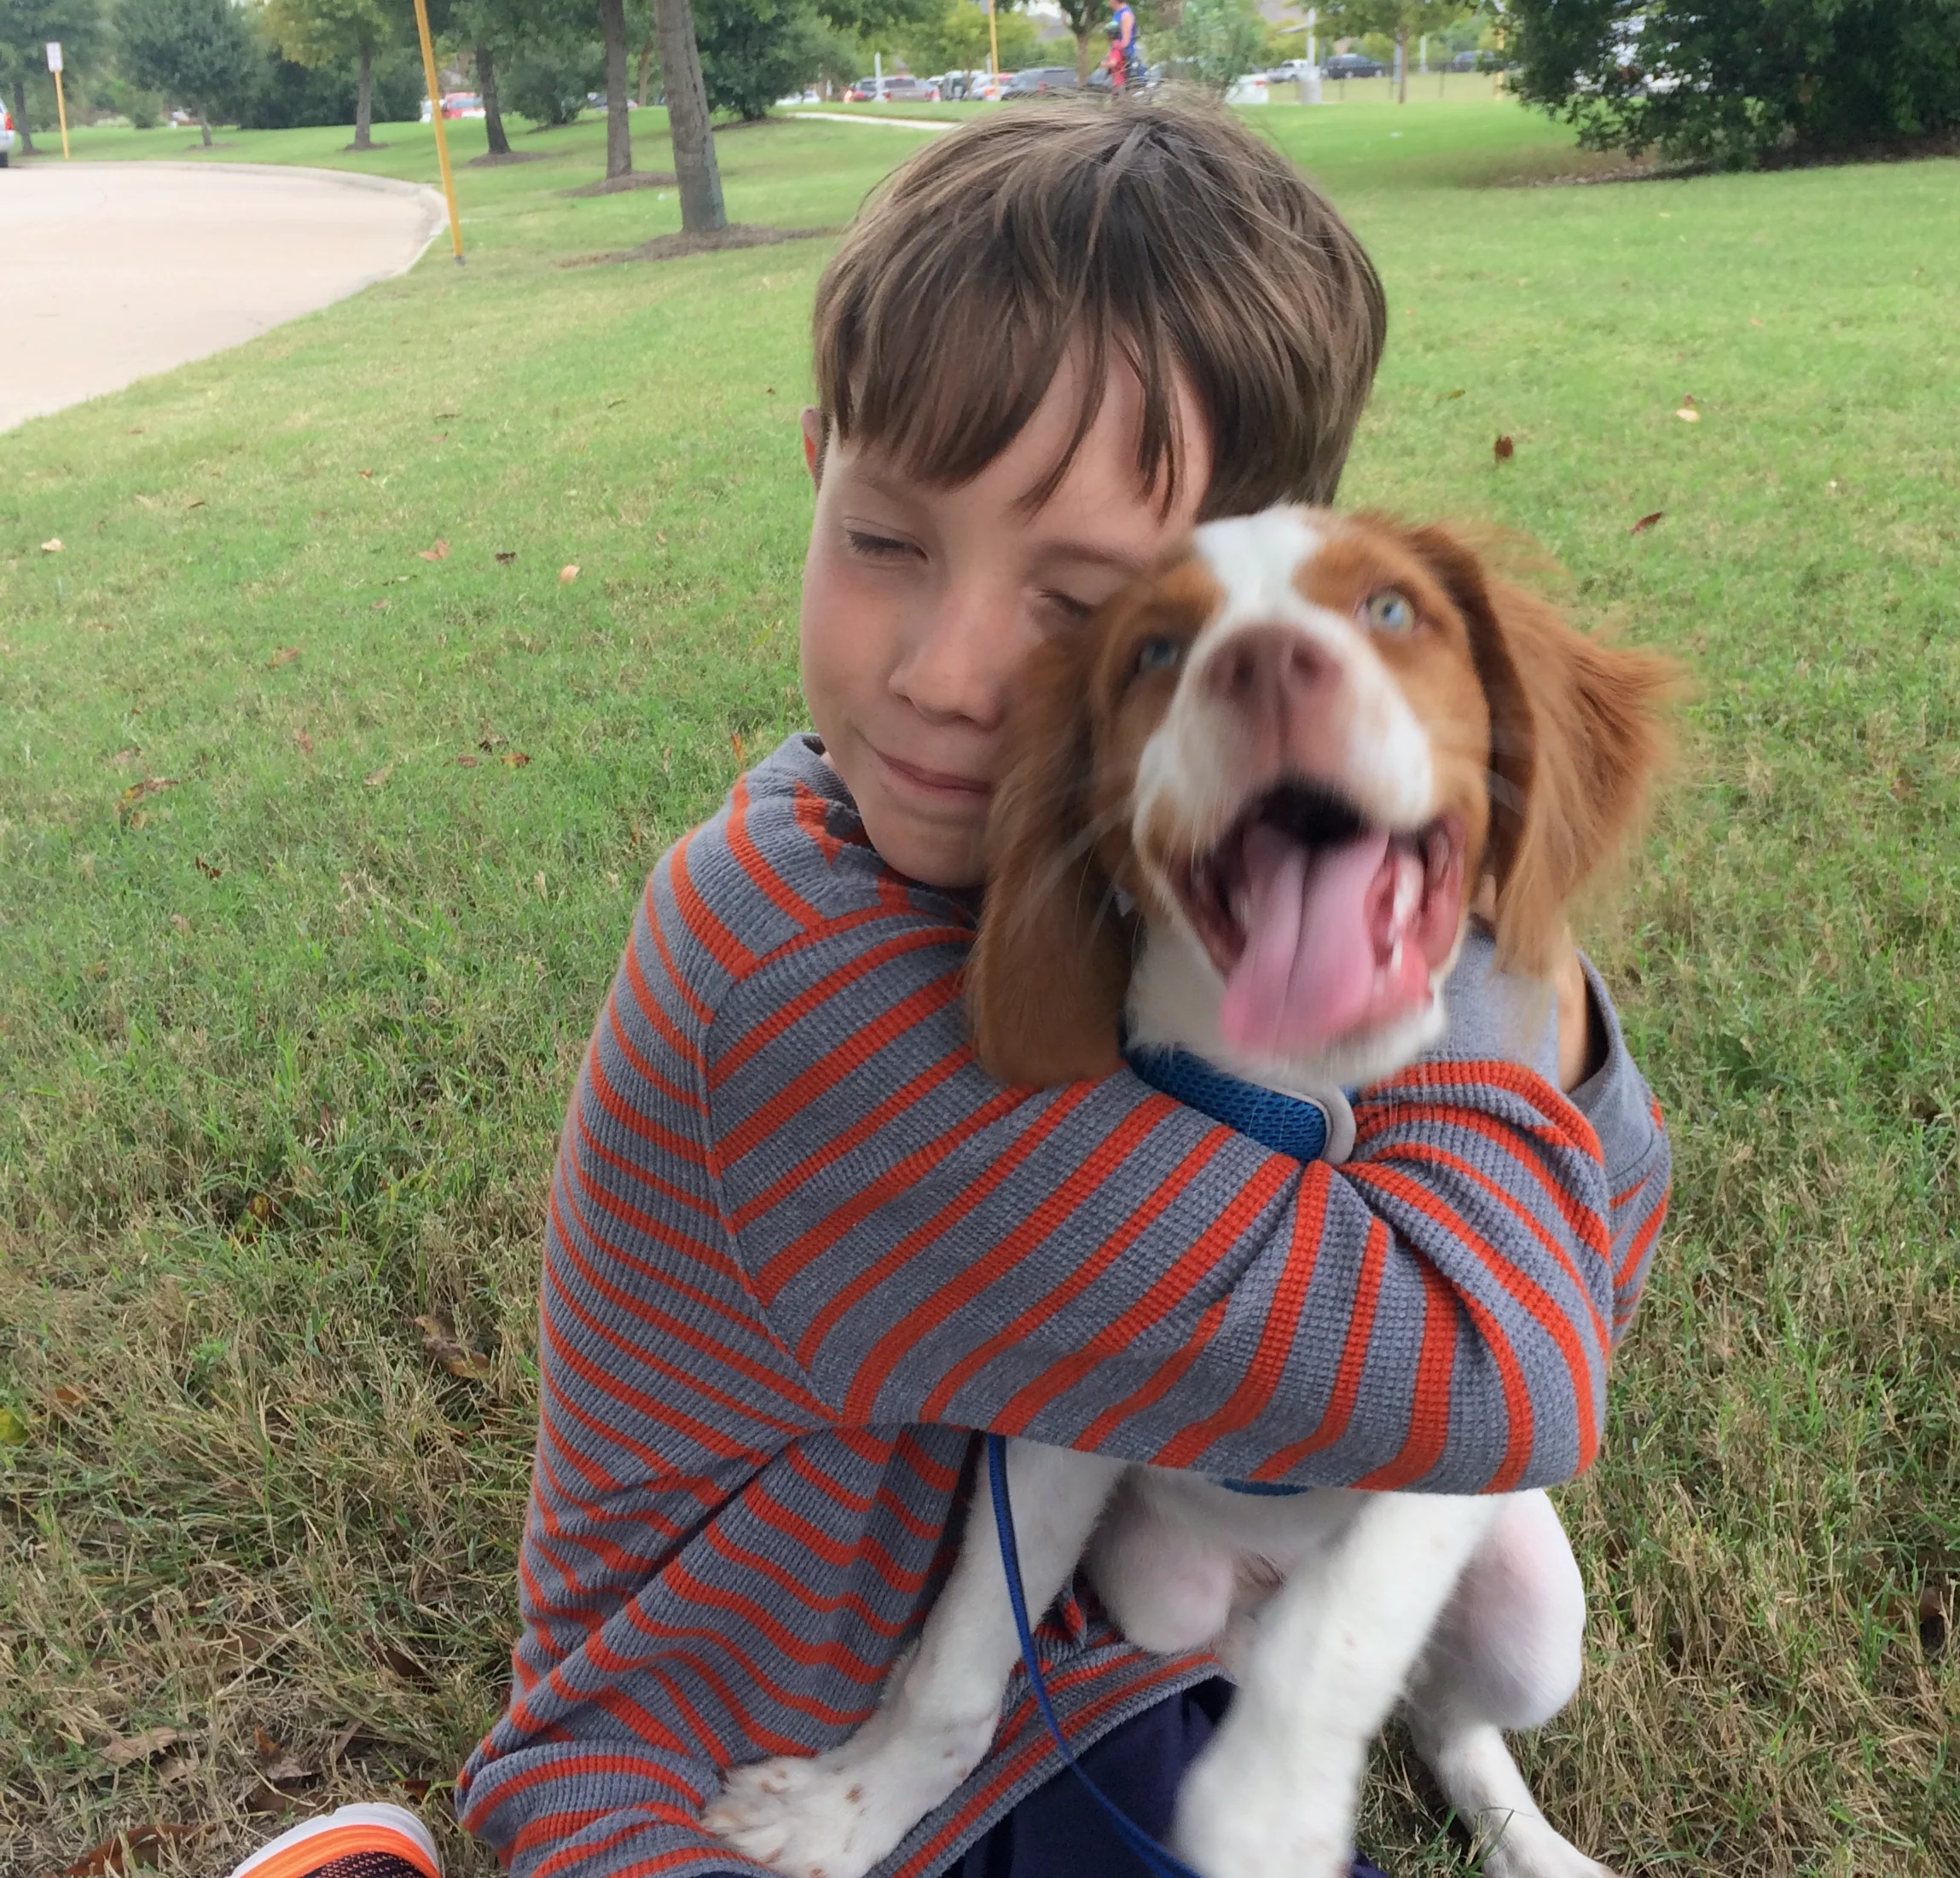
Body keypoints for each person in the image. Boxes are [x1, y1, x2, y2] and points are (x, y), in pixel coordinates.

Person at [230, 101, 1669, 1878]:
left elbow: (1602, 1233)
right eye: (886, 539)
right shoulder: (815, 996)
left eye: (1078, 603)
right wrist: (1473, 919)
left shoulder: (1129, 876)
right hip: (713, 1776)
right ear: (816, 463)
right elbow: (1494, 1368)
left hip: (1078, 1679)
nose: (942, 671)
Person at [1103, 0, 1138, 89]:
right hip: (1117, 54)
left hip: (1124, 58)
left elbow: (1126, 40)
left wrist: (1116, 55)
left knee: (1122, 88)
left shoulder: (1126, 14)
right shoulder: (1117, 13)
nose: (1109, 2)